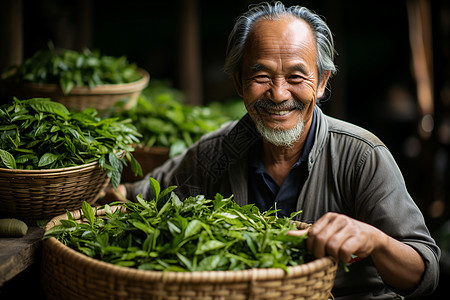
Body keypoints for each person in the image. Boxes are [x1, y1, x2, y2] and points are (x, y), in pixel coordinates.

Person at [109, 2, 440, 299]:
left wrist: (376, 240)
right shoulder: (213, 154)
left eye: (297, 76)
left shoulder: (361, 155)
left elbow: (424, 273)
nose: (279, 94)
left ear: (322, 82)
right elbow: (131, 200)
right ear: (239, 83)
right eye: (262, 76)